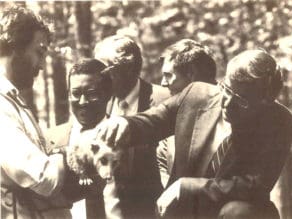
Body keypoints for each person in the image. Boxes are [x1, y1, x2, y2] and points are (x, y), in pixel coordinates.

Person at [95, 49, 292, 219]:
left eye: (241, 101)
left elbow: (255, 185)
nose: (226, 103)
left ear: (265, 102)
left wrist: (190, 186)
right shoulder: (196, 94)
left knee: (238, 211)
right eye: (225, 89)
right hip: (181, 212)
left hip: (234, 213)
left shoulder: (278, 122)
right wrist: (125, 124)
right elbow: (156, 120)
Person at [0, 6, 72, 218]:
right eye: (39, 52)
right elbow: (45, 179)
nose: (41, 65)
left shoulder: (12, 101)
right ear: (14, 46)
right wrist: (65, 155)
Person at [94, 35, 170, 218]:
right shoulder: (99, 102)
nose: (98, 78)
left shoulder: (164, 100)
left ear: (128, 68)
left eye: (104, 72)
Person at [47, 58, 112, 219]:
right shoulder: (49, 139)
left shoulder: (129, 138)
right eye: (76, 94)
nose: (83, 102)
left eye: (91, 94)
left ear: (108, 94)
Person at [157, 39, 217, 187]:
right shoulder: (172, 114)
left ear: (191, 75)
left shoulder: (227, 115)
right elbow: (163, 165)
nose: (163, 83)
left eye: (168, 75)